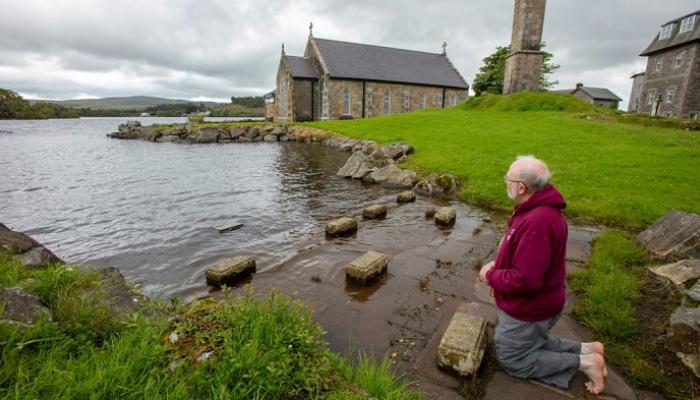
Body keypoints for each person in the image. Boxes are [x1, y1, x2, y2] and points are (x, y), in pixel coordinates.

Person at [478, 155, 606, 395]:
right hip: (542, 301)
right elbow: (527, 256)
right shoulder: (535, 208)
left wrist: (491, 277)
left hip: (530, 307)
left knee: (513, 359)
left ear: (521, 187)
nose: (505, 181)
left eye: (508, 178)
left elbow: (526, 280)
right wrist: (500, 262)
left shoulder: (538, 221)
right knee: (532, 340)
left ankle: (586, 363)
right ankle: (588, 349)